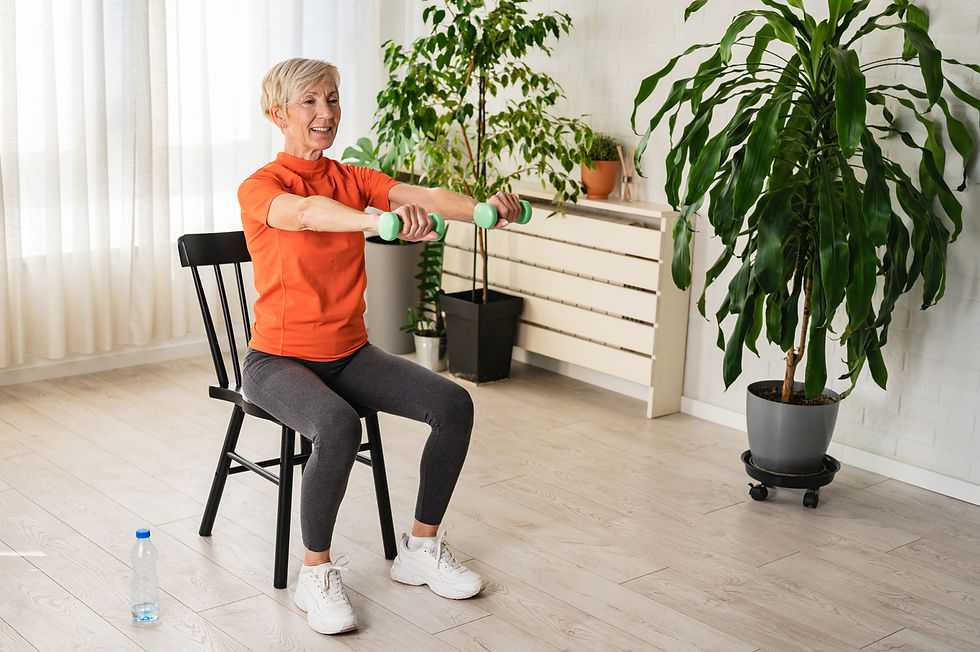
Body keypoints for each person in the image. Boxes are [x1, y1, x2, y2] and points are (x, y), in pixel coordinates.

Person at [237, 58, 523, 636]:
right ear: (278, 114)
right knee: (338, 426)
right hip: (276, 360)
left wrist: (486, 211)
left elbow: (423, 195)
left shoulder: (354, 177)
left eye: (334, 99)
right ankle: (315, 574)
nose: (326, 114)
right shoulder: (262, 186)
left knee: (452, 405)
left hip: (349, 353)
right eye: (310, 102)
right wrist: (376, 224)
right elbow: (310, 215)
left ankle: (420, 548)